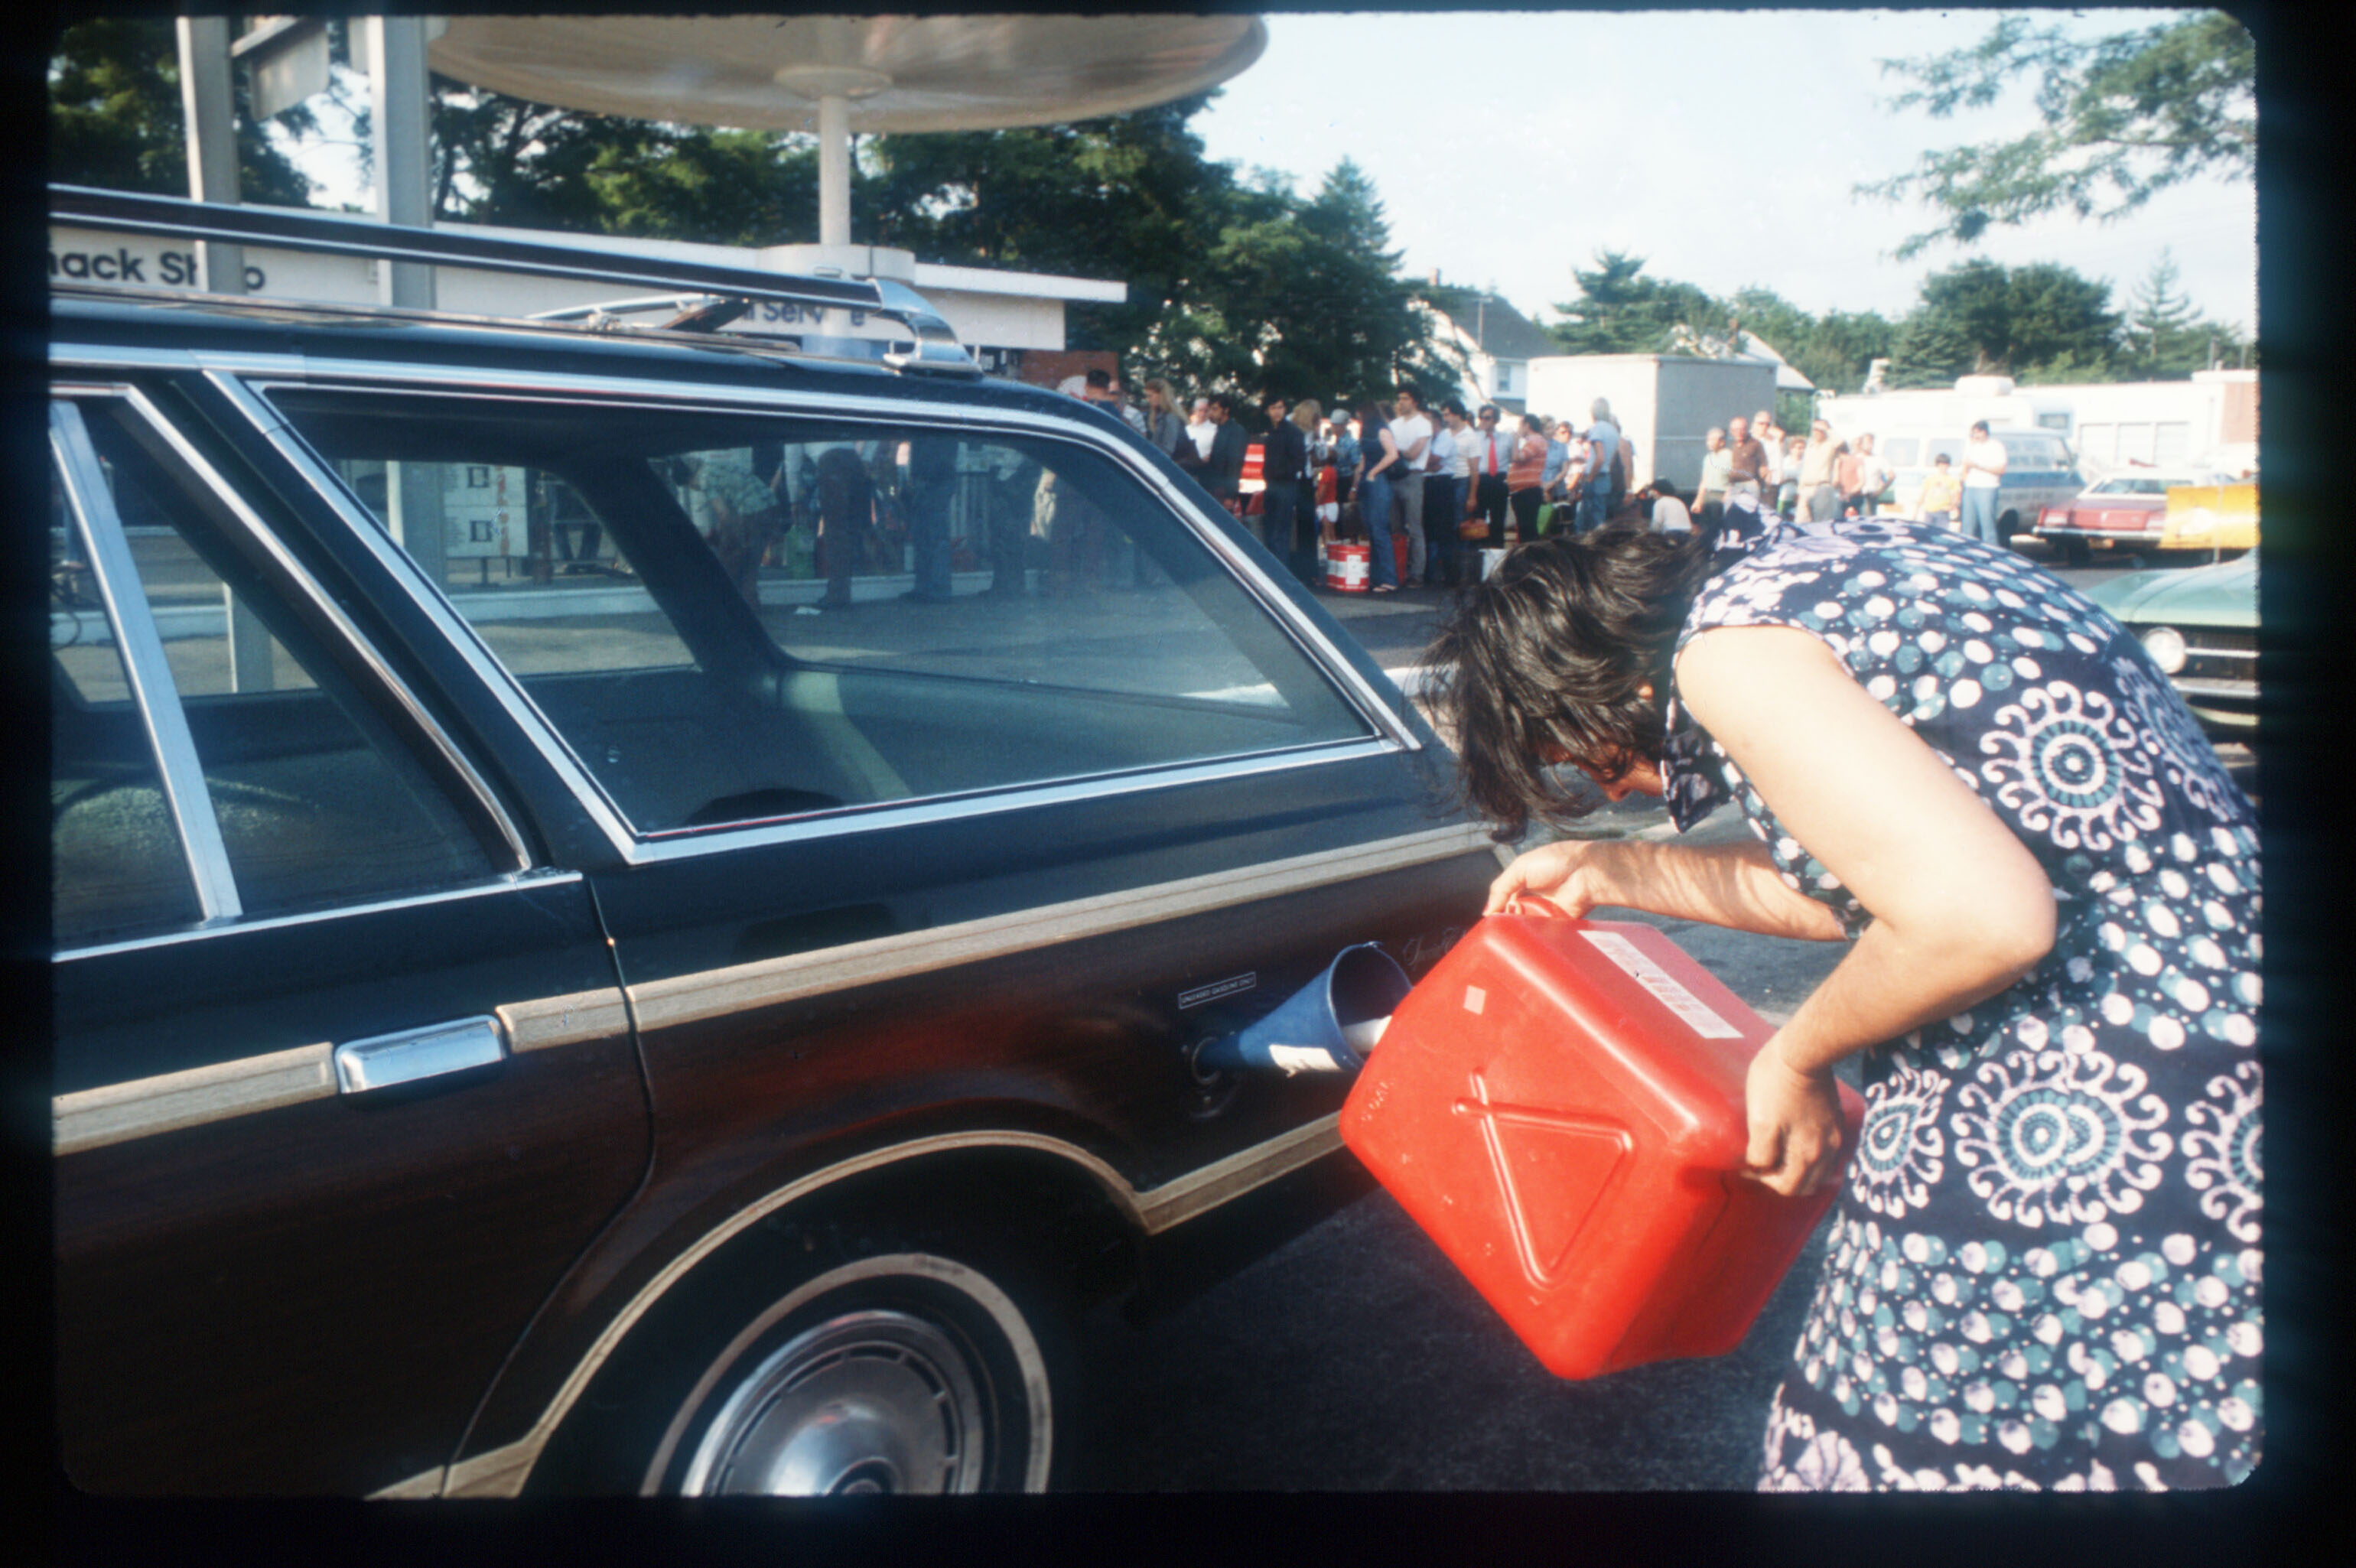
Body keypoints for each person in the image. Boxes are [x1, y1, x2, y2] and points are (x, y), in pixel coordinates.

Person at [1425, 518, 2260, 1493]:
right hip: (2213, 1038)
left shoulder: (1730, 656)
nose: (1614, 782)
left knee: (1912, 1438)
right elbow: (1869, 885)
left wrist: (1793, 1057)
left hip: (2100, 1090)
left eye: (1587, 760)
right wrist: (1609, 866)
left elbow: (1976, 919)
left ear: (1591, 683)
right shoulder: (1843, 567)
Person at [1356, 399, 1407, 592]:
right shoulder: (1368, 431)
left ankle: (1389, 579)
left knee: (1379, 530)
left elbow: (1392, 454)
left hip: (1378, 481)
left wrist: (1373, 472)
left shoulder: (1381, 430)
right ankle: (1378, 577)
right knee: (1372, 529)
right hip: (1369, 481)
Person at [1388, 389, 1435, 587]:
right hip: (1393, 475)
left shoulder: (1423, 424)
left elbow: (1414, 454)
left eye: (1405, 399)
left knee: (1415, 527)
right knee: (1394, 526)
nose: (1401, 403)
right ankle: (1396, 570)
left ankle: (1417, 573)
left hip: (1413, 476)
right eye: (1399, 399)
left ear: (1414, 401)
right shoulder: (1393, 424)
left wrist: (1394, 450)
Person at [1427, 401, 1472, 587]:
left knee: (1445, 532)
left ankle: (1451, 576)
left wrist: (1425, 461)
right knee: (1429, 530)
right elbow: (1427, 464)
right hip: (1429, 483)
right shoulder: (1429, 440)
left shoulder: (1445, 437)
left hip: (1443, 484)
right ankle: (1429, 574)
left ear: (1435, 422)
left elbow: (1432, 460)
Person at [1464, 403, 1514, 547]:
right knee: (1478, 520)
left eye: (1488, 418)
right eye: (1482, 418)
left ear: (1496, 420)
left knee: (1498, 521)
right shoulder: (1474, 438)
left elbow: (1512, 458)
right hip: (1481, 480)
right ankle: (1478, 556)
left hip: (1499, 481)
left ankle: (1497, 555)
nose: (1483, 421)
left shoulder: (1506, 438)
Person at [1959, 419, 2009, 546]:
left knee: (1987, 524)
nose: (1975, 436)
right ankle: (1966, 553)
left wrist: (1978, 466)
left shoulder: (1996, 446)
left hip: (1987, 488)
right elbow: (1965, 465)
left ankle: (1992, 551)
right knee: (1967, 525)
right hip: (1971, 487)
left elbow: (2001, 469)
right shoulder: (1971, 446)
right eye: (1973, 433)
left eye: (1978, 433)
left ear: (1985, 432)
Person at [1577, 399, 1622, 532]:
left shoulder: (1597, 429)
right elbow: (1612, 459)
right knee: (1599, 519)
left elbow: (1600, 457)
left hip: (1595, 477)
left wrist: (1590, 478)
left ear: (1593, 413)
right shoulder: (1613, 431)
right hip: (1605, 477)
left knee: (1585, 521)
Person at [1506, 412, 1551, 545]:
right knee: (1525, 529)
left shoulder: (1536, 441)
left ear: (1527, 425)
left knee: (1527, 530)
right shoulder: (1534, 441)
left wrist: (1516, 438)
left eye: (1521, 425)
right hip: (1524, 491)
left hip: (1527, 491)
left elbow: (1517, 457)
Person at [1202, 393, 1248, 517]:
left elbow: (1235, 464)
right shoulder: (1213, 429)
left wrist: (1230, 495)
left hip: (1222, 488)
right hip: (1209, 484)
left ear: (1226, 410)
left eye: (1215, 409)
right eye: (1210, 409)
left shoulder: (1236, 432)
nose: (1211, 413)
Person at [1797, 417, 1842, 522]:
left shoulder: (1830, 444)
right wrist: (1800, 490)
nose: (1816, 432)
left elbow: (1841, 442)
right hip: (1806, 489)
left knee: (1822, 523)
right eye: (1814, 429)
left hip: (1822, 487)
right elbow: (1805, 469)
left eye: (1819, 429)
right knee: (1801, 523)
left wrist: (1828, 429)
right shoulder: (1810, 446)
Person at [1693, 426, 1731, 544]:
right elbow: (1704, 480)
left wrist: (1728, 494)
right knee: (1705, 528)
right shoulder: (1708, 458)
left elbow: (1733, 478)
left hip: (1720, 495)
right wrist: (1698, 500)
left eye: (1713, 440)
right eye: (1708, 440)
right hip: (1707, 496)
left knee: (1717, 529)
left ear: (1722, 442)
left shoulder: (1729, 455)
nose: (1709, 443)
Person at [1140, 377, 1188, 463]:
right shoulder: (1158, 416)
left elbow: (1168, 449)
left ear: (1161, 395)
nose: (1148, 400)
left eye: (1150, 396)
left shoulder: (1171, 417)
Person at [1917, 450, 1962, 527]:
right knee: (1927, 533)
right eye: (1941, 465)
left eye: (1946, 465)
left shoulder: (1952, 480)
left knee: (1941, 534)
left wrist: (1952, 506)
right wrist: (1916, 512)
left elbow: (1957, 495)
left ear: (1949, 465)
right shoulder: (1930, 478)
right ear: (1937, 465)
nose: (1943, 467)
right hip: (1929, 511)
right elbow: (1923, 495)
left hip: (1942, 512)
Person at [1853, 433, 1892, 520]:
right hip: (1854, 496)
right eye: (1867, 442)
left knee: (1867, 525)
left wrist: (1880, 491)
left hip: (1869, 496)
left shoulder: (1879, 459)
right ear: (1861, 444)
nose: (1870, 445)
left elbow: (1891, 476)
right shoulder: (1854, 458)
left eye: (1872, 442)